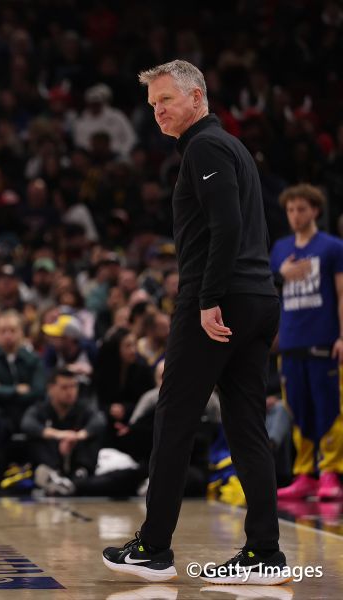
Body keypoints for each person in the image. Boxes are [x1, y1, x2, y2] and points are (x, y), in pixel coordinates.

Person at [103, 60, 289, 585]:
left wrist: (207, 299)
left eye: (166, 100)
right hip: (257, 296)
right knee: (246, 426)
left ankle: (153, 547)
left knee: (175, 419)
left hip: (219, 299)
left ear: (197, 97)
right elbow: (249, 228)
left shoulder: (204, 147)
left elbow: (226, 225)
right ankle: (264, 552)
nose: (157, 111)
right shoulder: (232, 148)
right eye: (152, 104)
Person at [270, 184, 343, 500]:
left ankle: (330, 472)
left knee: (329, 408)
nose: (295, 215)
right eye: (290, 210)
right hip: (290, 342)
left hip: (323, 340)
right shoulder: (280, 249)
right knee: (297, 408)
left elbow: (341, 294)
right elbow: (270, 293)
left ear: (315, 210)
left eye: (301, 209)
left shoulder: (332, 247)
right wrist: (281, 274)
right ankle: (304, 474)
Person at [21, 369, 105, 496]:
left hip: (75, 458)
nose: (70, 391)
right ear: (51, 389)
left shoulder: (84, 408)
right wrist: (59, 435)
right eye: (64, 387)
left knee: (93, 435)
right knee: (36, 437)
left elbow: (99, 421)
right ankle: (52, 476)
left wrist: (78, 436)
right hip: (51, 460)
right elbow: (27, 424)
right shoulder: (40, 409)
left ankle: (81, 474)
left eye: (74, 386)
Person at [0, 310, 46, 432]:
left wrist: (1, 389)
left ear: (21, 332)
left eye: (12, 330)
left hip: (29, 411)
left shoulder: (33, 359)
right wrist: (16, 390)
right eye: (3, 331)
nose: (8, 335)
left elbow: (38, 391)